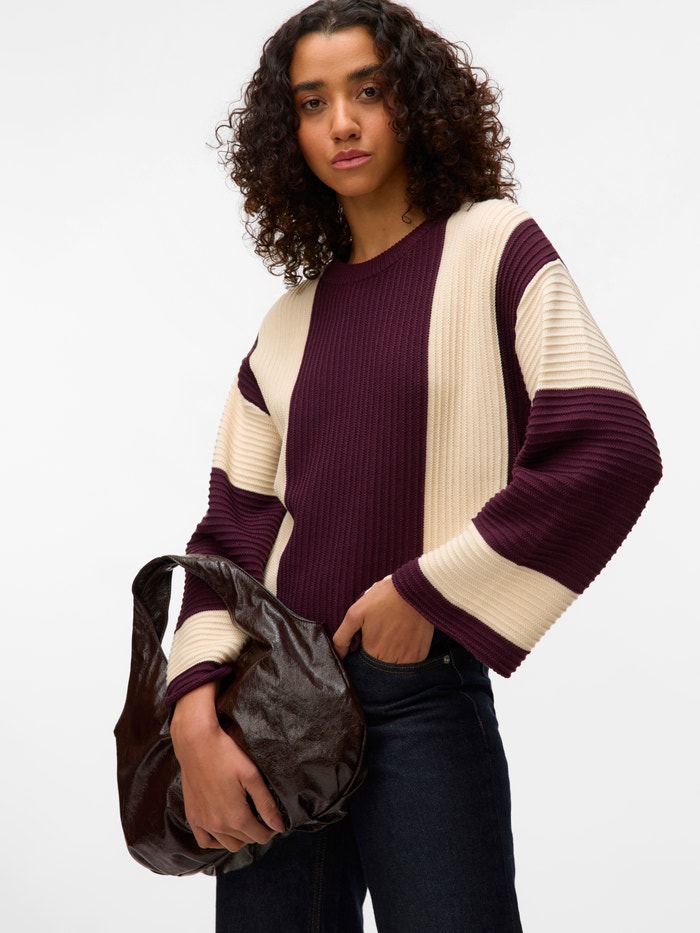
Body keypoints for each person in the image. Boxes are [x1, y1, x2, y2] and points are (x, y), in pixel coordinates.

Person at [164, 1, 662, 930]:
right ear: (288, 134)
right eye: (312, 103)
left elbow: (612, 444)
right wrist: (193, 705)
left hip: (418, 700)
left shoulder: (494, 246)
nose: (342, 123)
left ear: (417, 104)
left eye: (369, 90)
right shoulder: (285, 325)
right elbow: (228, 534)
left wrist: (425, 593)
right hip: (271, 711)